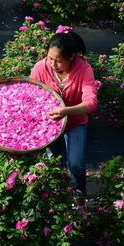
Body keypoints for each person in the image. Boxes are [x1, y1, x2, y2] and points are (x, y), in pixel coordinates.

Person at [30, 31, 98, 194]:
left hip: (75, 122)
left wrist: (67, 111)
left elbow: (91, 102)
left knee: (75, 163)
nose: (52, 64)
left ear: (71, 57)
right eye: (50, 58)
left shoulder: (84, 70)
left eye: (58, 61)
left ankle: (79, 192)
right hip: (50, 123)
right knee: (54, 160)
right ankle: (58, 192)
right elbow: (30, 95)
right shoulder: (40, 68)